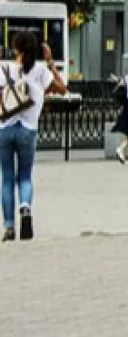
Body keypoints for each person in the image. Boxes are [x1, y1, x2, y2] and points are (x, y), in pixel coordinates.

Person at [1, 31, 66, 241]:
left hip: (4, 128)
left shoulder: (4, 68)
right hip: (28, 129)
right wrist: (51, 62)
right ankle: (26, 209)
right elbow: (62, 88)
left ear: (15, 48)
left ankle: (9, 228)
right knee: (25, 176)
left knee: (7, 178)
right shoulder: (40, 71)